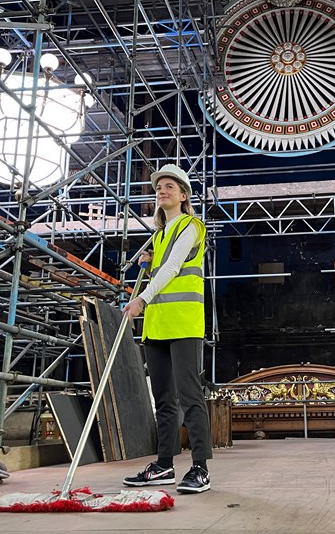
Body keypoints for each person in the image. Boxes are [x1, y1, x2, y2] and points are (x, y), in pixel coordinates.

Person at [122, 164, 212, 494]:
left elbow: (174, 268)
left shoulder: (191, 225)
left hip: (184, 323)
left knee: (190, 396)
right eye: (159, 187)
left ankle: (200, 468)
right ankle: (164, 466)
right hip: (158, 325)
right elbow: (162, 265)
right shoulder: (159, 235)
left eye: (170, 186)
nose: (162, 190)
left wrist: (141, 299)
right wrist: (148, 261)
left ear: (183, 196)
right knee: (163, 400)